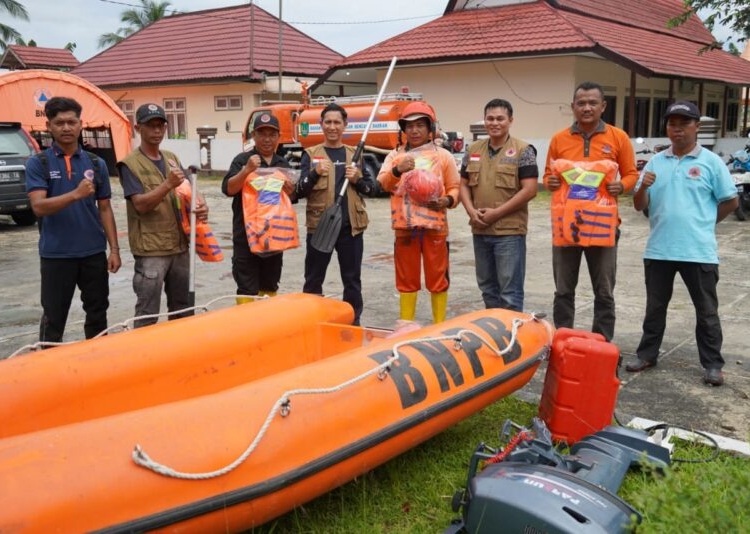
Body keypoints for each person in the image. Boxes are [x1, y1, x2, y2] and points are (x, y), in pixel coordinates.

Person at [626, 101, 738, 386]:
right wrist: (644, 186)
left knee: (706, 311)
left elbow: (730, 200)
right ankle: (647, 354)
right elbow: (639, 205)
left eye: (684, 123)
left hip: (698, 251)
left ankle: (712, 364)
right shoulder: (655, 162)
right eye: (672, 123)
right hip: (659, 249)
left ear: (696, 127)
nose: (677, 129)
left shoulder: (710, 162)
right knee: (655, 308)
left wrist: (704, 223)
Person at [543, 81, 638, 341]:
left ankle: (602, 345)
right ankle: (563, 342)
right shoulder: (559, 139)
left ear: (603, 106)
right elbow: (549, 176)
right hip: (566, 227)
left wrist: (623, 185)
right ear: (573, 107)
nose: (587, 108)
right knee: (563, 290)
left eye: (592, 103)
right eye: (581, 103)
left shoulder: (618, 137)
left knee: (604, 291)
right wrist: (549, 182)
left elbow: (631, 173)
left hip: (603, 226)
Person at [25, 96, 121, 342]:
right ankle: (48, 368)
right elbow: (38, 207)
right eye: (59, 123)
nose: (66, 128)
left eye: (71, 122)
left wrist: (115, 250)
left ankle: (97, 363)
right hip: (56, 255)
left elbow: (105, 208)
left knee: (98, 314)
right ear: (49, 127)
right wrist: (75, 194)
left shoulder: (96, 163)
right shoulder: (39, 163)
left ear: (81, 124)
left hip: (92, 254)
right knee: (54, 317)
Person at [117, 103, 209, 328]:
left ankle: (179, 354)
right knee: (147, 311)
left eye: (160, 125)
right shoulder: (129, 164)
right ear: (138, 128)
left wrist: (201, 204)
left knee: (182, 308)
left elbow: (189, 190)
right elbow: (140, 205)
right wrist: (167, 184)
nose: (156, 131)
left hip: (179, 245)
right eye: (151, 126)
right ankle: (145, 357)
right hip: (152, 251)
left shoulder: (171, 158)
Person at [295, 103, 378, 325]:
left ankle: (353, 322)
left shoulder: (355, 154)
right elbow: (299, 191)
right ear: (321, 125)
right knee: (313, 280)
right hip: (320, 227)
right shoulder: (310, 155)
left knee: (352, 280)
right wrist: (313, 174)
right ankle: (311, 322)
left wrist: (357, 179)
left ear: (345, 125)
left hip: (350, 228)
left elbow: (372, 189)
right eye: (328, 122)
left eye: (337, 122)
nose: (332, 127)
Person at [378, 101, 460, 323]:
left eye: (420, 125)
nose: (414, 130)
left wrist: (447, 200)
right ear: (403, 130)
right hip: (405, 229)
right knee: (406, 279)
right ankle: (406, 323)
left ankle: (439, 324)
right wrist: (398, 169)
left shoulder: (444, 156)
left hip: (435, 229)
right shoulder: (394, 156)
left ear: (429, 128)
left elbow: (455, 187)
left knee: (438, 278)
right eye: (409, 126)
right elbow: (382, 183)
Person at [459, 98, 538, 311]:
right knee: (487, 288)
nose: (495, 123)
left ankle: (512, 341)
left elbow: (530, 190)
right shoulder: (473, 149)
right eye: (490, 118)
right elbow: (463, 185)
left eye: (500, 118)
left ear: (510, 121)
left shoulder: (524, 150)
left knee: (509, 292)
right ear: (484, 121)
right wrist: (470, 211)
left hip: (509, 233)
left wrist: (497, 213)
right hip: (480, 229)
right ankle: (493, 336)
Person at [222, 112, 294, 302]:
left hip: (273, 237)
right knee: (247, 288)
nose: (267, 139)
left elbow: (291, 198)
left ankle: (267, 327)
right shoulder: (242, 160)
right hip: (246, 237)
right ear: (253, 135)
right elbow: (229, 189)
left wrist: (290, 190)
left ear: (279, 137)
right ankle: (246, 328)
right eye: (262, 134)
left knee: (270, 286)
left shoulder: (282, 163)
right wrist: (246, 170)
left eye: (272, 134)